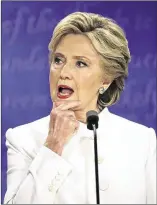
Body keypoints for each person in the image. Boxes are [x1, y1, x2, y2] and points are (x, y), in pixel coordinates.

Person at [4, 12, 156, 204]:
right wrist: (53, 145)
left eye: (80, 63)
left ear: (106, 80)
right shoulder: (23, 139)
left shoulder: (142, 140)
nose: (64, 73)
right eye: (58, 60)